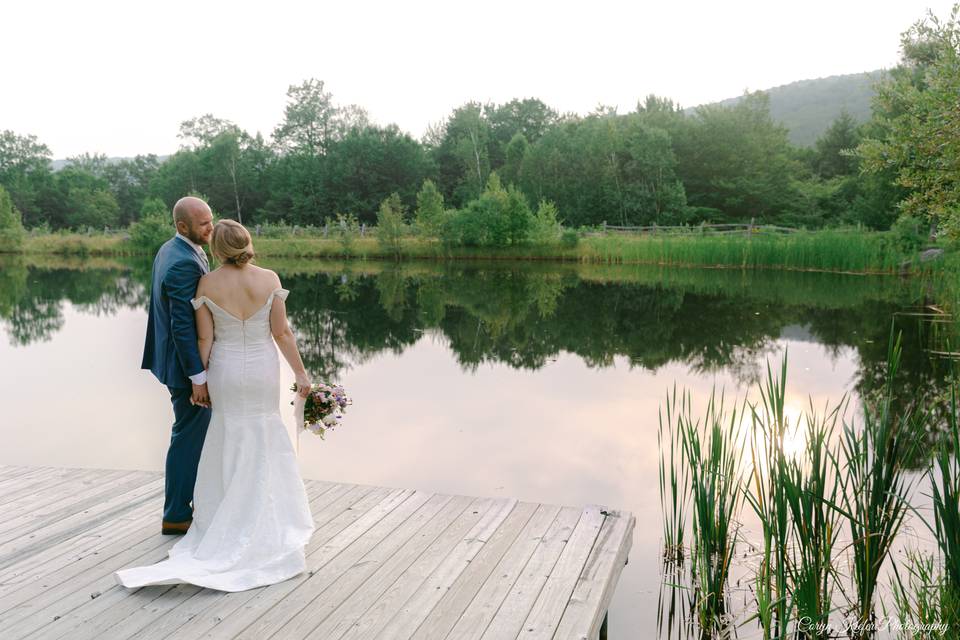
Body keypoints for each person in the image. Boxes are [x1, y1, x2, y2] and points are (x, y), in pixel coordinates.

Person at [116, 217, 316, 591]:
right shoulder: (270, 279)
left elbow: (204, 340)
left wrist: (201, 380)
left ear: (216, 250)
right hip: (261, 368)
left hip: (224, 371)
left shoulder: (207, 283)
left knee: (226, 433)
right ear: (248, 242)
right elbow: (282, 333)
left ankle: (226, 512)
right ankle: (265, 512)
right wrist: (302, 376)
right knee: (264, 431)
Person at [139, 196, 214, 536]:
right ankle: (176, 514)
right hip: (184, 367)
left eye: (211, 220)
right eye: (203, 224)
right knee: (187, 437)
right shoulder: (182, 261)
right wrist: (198, 377)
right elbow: (183, 325)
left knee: (188, 433)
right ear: (183, 226)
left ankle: (187, 503)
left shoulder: (173, 249)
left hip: (174, 360)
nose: (210, 227)